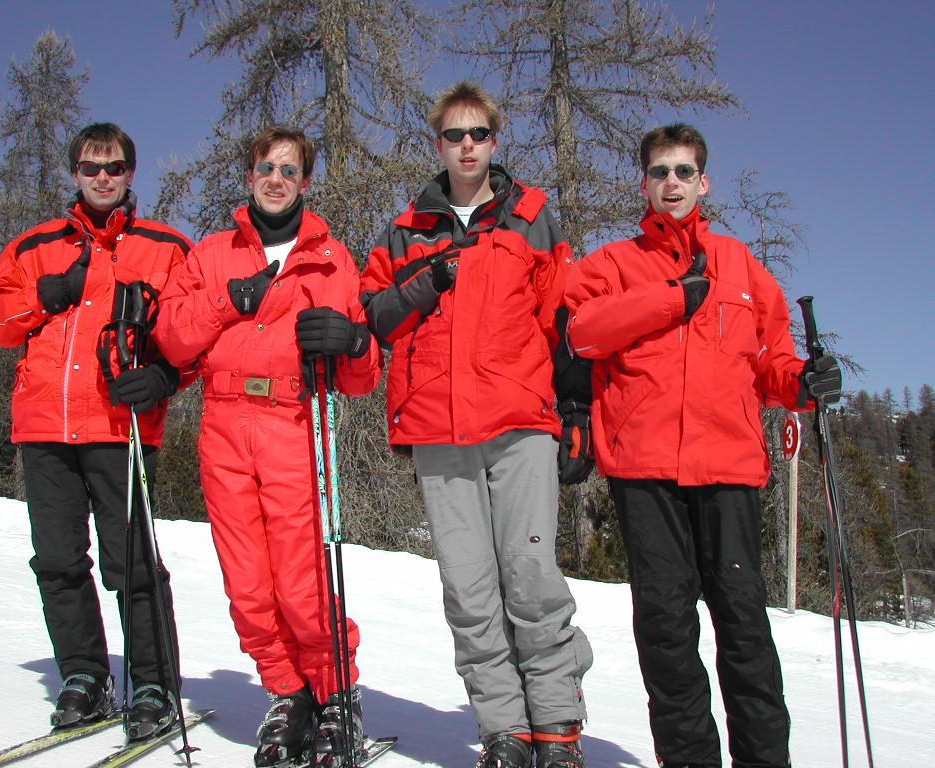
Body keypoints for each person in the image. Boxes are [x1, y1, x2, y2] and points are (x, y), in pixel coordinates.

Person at [564, 123, 842, 768]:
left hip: (728, 468)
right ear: (644, 183)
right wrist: (668, 299)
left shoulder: (742, 267)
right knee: (667, 630)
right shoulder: (612, 264)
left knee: (744, 624)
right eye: (660, 172)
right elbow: (581, 332)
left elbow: (771, 363)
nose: (671, 183)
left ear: (703, 182)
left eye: (684, 172)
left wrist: (804, 381)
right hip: (645, 467)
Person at [360, 82, 593, 768]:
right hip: (438, 425)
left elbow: (566, 315)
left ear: (495, 141)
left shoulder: (532, 216)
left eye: (479, 135)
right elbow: (374, 314)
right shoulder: (407, 229)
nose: (468, 146)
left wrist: (576, 406)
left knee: (529, 571)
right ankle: (504, 731)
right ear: (438, 144)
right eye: (455, 135)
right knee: (468, 587)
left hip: (521, 420)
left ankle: (556, 727)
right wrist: (421, 286)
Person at [152, 126, 381, 768]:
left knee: (303, 581)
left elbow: (363, 378)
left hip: (292, 420)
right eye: (265, 168)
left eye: (288, 169)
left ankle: (335, 695)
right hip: (224, 421)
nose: (275, 179)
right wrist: (229, 301)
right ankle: (287, 692)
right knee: (248, 585)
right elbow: (170, 338)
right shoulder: (212, 254)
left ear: (305, 182)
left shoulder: (331, 260)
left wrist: (352, 343)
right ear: (249, 176)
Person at [0, 123, 192, 740]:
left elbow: (193, 330)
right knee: (59, 560)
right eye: (92, 167)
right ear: (74, 172)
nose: (103, 177)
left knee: (131, 564)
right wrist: (46, 294)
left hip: (118, 426)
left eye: (115, 167)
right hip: (44, 426)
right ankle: (84, 675)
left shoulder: (166, 247)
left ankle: (152, 681)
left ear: (130, 174)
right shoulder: (35, 245)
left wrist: (163, 376)